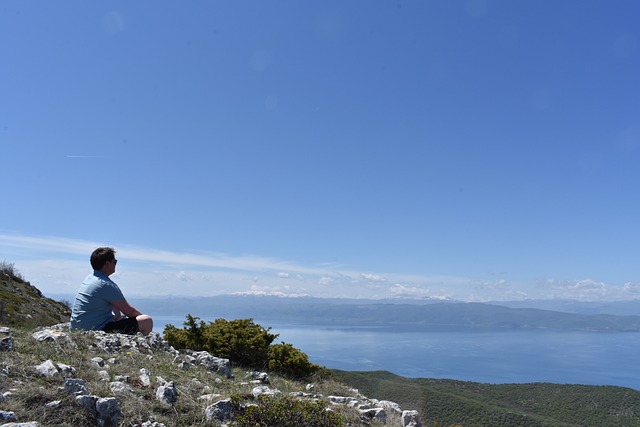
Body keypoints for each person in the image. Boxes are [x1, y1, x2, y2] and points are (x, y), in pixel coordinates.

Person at [70, 247, 153, 335]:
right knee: (146, 321)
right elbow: (130, 312)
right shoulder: (106, 284)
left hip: (77, 329)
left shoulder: (90, 278)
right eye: (114, 261)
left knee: (116, 309)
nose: (115, 264)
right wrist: (142, 321)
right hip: (95, 330)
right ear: (107, 264)